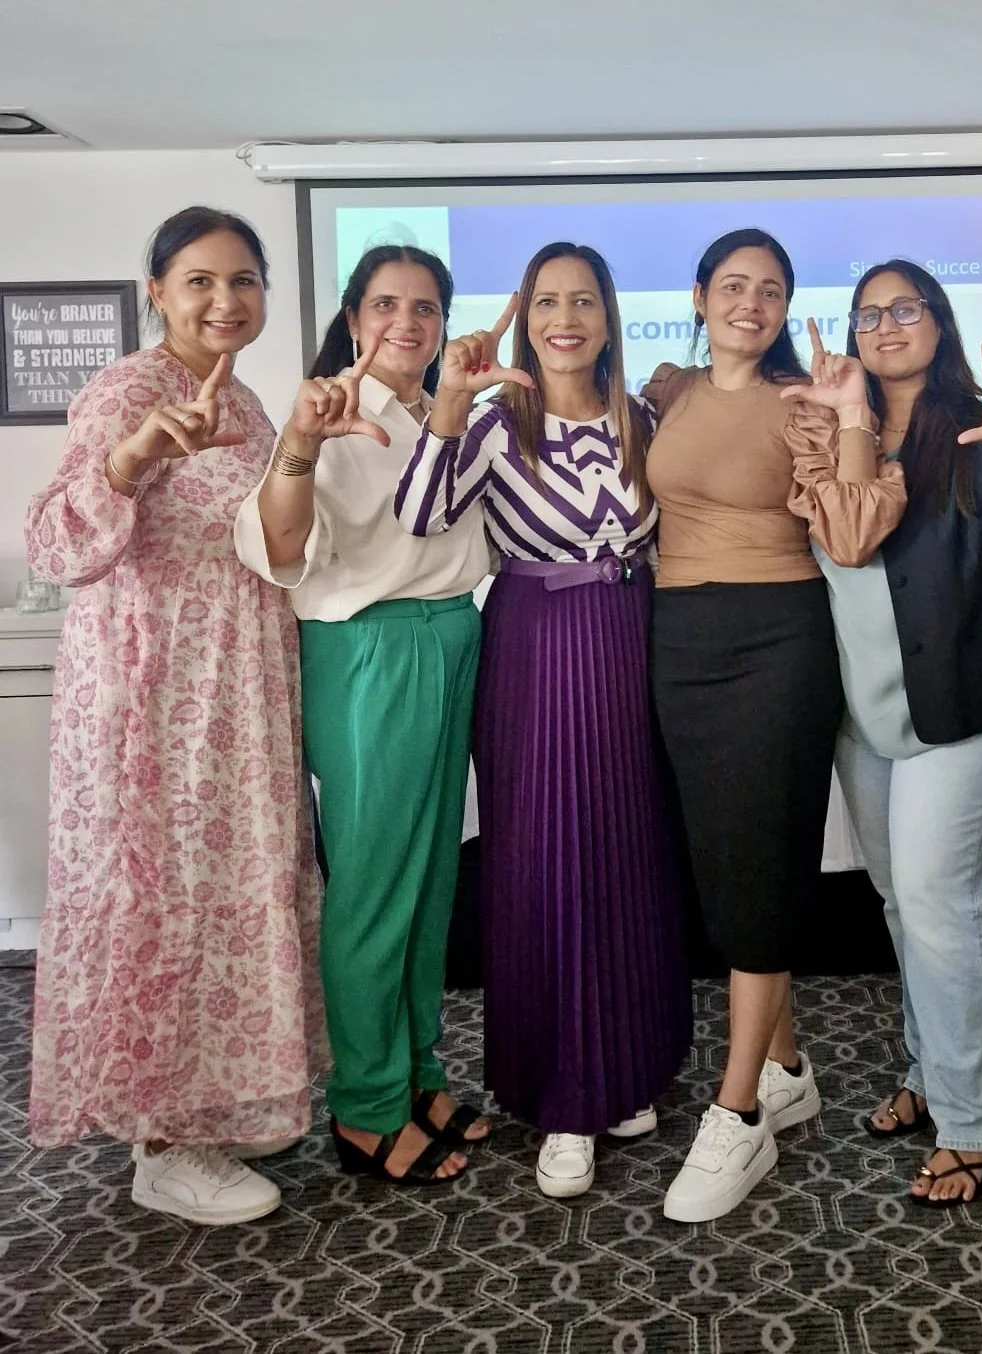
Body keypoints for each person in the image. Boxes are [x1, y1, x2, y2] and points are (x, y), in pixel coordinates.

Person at [25, 207, 325, 1225]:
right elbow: (57, 544)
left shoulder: (243, 396)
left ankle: (216, 1103)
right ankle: (160, 1138)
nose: (224, 301)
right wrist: (130, 460)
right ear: (156, 291)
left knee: (232, 890)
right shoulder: (127, 390)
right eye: (199, 281)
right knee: (162, 897)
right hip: (153, 693)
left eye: (243, 281)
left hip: (238, 683)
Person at [395, 242, 691, 1199]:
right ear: (527, 318)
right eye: (548, 301)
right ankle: (563, 1096)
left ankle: (630, 1068)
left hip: (633, 639)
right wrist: (448, 399)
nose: (566, 317)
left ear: (609, 316)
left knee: (629, 860)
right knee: (545, 862)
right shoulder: (494, 418)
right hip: (534, 643)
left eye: (584, 301)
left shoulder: (643, 419)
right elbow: (420, 514)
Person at [787, 261, 982, 1206]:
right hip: (863, 710)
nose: (884, 326)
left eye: (903, 308)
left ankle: (971, 1119)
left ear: (939, 321)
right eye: (866, 314)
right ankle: (930, 1069)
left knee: (937, 900)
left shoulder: (977, 422)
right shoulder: (829, 428)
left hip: (965, 705)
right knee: (900, 902)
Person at [235, 244, 490, 1186]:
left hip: (452, 634)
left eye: (426, 307)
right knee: (374, 886)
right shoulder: (328, 413)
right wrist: (300, 444)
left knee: (429, 883)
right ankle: (367, 1109)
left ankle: (418, 1075)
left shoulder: (443, 409)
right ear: (352, 318)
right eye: (386, 304)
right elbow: (281, 543)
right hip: (369, 648)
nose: (408, 323)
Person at [645, 228, 852, 1223]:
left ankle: (737, 1117)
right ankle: (788, 1067)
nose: (752, 301)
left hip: (779, 636)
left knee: (761, 855)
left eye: (772, 289)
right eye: (734, 284)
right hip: (676, 637)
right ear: (698, 293)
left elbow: (847, 513)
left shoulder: (804, 400)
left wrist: (846, 425)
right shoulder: (665, 388)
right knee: (720, 858)